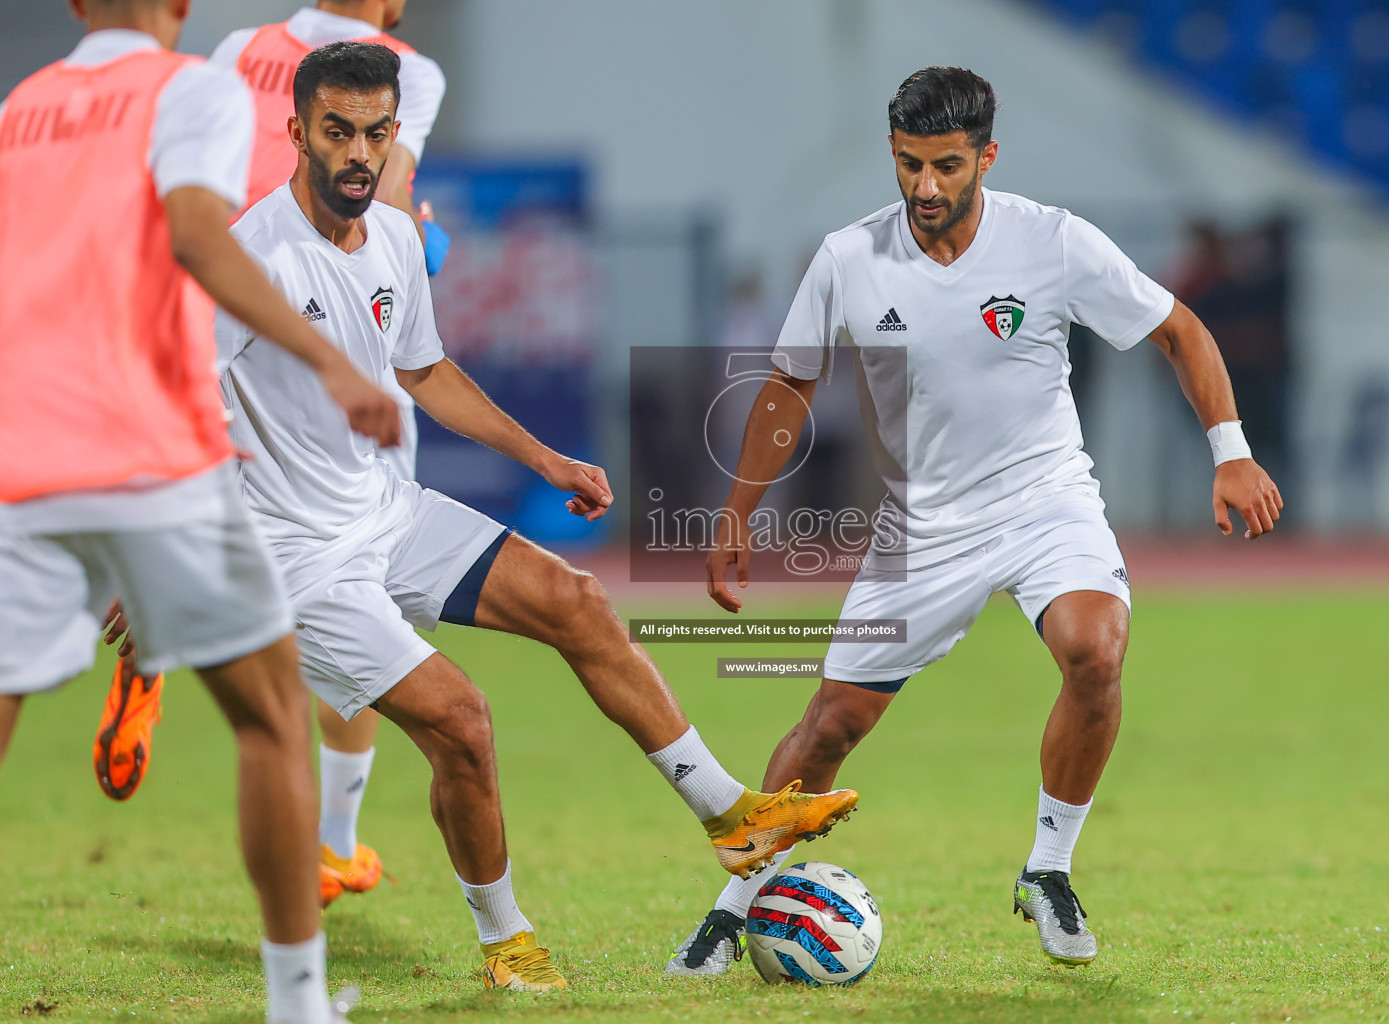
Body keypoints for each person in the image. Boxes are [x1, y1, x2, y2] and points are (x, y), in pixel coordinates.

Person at [217, 41, 858, 991]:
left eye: (375, 134)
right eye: (337, 132)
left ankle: (731, 816)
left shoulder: (392, 239)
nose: (358, 152)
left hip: (386, 512)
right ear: (298, 133)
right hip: (299, 560)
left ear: (394, 137)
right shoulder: (249, 258)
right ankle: (505, 938)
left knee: (577, 600)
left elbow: (424, 372)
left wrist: (545, 457)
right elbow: (173, 397)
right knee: (463, 724)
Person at [667, 66, 1283, 975]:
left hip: (1046, 498)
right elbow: (791, 383)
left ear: (986, 156)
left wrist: (1230, 448)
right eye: (910, 164)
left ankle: (1049, 867)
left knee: (1095, 650)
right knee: (831, 726)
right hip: (922, 526)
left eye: (948, 166)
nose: (926, 187)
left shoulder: (1053, 243)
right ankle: (735, 905)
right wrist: (735, 518)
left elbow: (1179, 329)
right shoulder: (847, 258)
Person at [0, 1, 401, 1020]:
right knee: (272, 717)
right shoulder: (196, 91)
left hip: (23, 457)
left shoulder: (23, 105)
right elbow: (194, 235)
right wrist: (328, 363)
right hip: (150, 453)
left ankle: (142, 645)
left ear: (74, 5)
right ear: (179, 6)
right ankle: (299, 1002)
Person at [94, 0, 449, 919]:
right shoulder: (407, 68)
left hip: (214, 315)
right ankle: (331, 844)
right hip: (318, 318)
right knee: (357, 590)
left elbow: (191, 188)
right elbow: (383, 199)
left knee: (241, 532)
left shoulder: (238, 47)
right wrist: (424, 243)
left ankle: (161, 626)